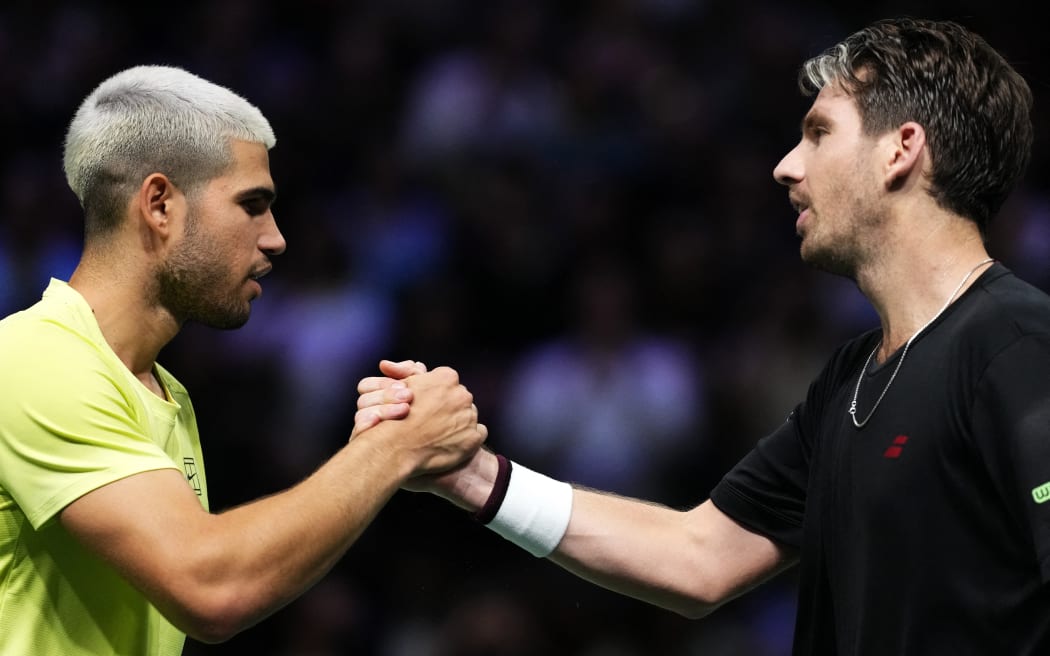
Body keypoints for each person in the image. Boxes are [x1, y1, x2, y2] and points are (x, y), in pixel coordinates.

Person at [358, 17, 1050, 654]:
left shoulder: (1017, 346)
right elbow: (701, 555)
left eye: (818, 133)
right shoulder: (852, 380)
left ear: (901, 151)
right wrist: (470, 473)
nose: (787, 165)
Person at [0, 65, 487, 656]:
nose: (276, 237)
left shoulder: (164, 393)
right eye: (252, 204)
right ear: (159, 205)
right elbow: (211, 587)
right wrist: (393, 450)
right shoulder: (33, 358)